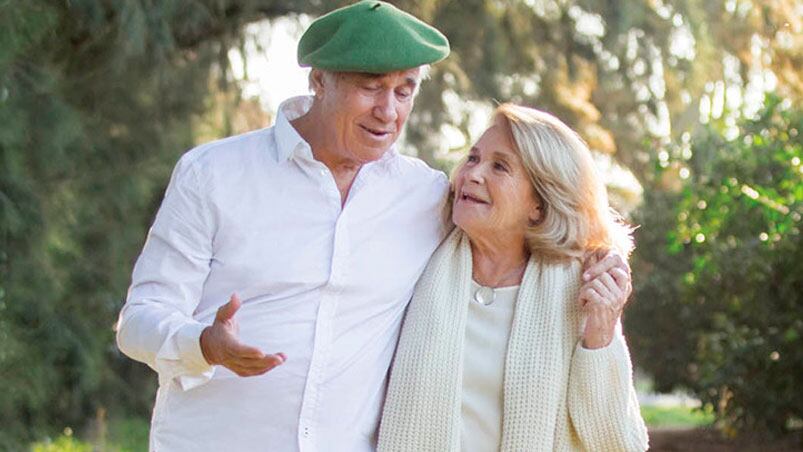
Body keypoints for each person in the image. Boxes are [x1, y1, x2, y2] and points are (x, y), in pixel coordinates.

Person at [116, 1, 631, 451]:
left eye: (405, 91)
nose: (389, 111)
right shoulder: (214, 174)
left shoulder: (426, 197)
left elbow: (517, 230)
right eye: (371, 88)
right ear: (319, 81)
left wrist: (597, 262)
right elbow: (140, 319)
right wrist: (204, 345)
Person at [377, 104, 649, 452]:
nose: (472, 174)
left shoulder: (580, 287)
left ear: (539, 203)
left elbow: (614, 441)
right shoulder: (422, 248)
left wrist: (600, 332)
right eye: (473, 159)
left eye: (500, 166)